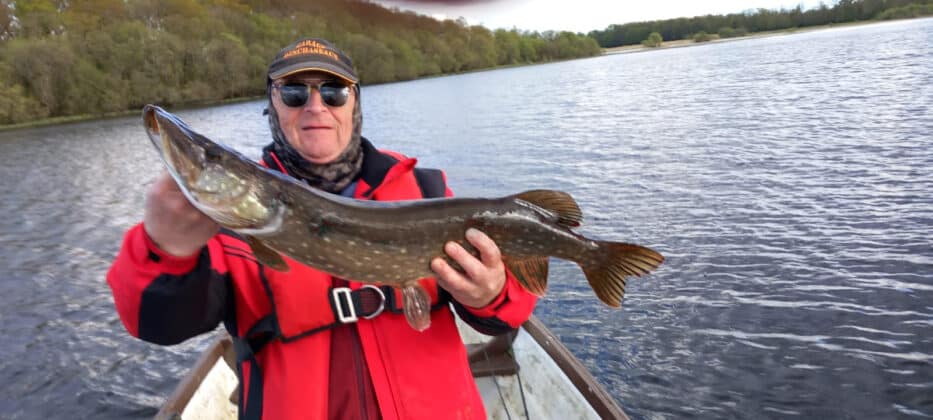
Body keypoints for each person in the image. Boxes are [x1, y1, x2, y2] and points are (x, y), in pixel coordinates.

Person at [107, 37, 537, 420]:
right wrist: (165, 249)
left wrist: (490, 293)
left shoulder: (428, 191)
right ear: (272, 105)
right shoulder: (223, 229)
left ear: (354, 104)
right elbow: (157, 325)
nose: (316, 106)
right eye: (294, 93)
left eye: (333, 92)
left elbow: (508, 311)